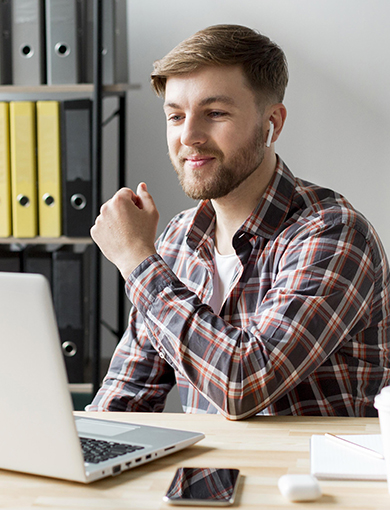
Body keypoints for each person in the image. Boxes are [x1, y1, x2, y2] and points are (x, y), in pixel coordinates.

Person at [87, 24, 390, 419]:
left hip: (308, 478)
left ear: (273, 124)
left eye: (215, 113)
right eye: (176, 116)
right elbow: (126, 394)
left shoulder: (333, 233)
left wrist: (136, 262)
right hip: (207, 477)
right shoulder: (178, 239)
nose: (189, 136)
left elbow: (244, 384)